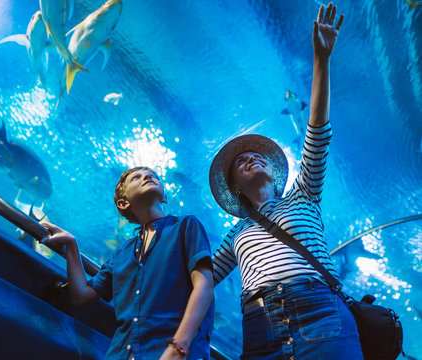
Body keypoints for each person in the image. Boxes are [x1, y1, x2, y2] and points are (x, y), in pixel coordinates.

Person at [209, 3, 362, 359]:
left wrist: (321, 60)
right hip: (260, 321)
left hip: (319, 308)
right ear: (234, 188)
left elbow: (317, 133)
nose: (251, 158)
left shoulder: (303, 195)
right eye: (241, 163)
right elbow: (202, 278)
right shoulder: (235, 235)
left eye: (255, 156)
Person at [41, 166, 214, 360]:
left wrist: (178, 348)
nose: (147, 176)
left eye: (153, 175)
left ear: (164, 197)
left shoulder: (185, 226)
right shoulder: (122, 253)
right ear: (123, 203)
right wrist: (72, 245)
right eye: (136, 178)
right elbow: (82, 295)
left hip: (176, 351)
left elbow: (204, 285)